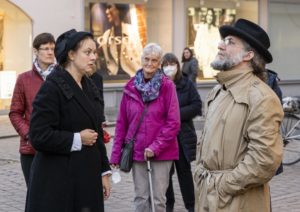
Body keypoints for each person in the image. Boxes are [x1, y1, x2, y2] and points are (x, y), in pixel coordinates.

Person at [194, 19, 284, 212]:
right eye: (223, 40)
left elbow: (264, 160)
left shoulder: (262, 97)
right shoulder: (218, 91)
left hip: (237, 203)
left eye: (230, 42)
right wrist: (200, 174)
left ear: (248, 55)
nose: (220, 44)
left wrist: (221, 185)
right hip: (209, 199)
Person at [25, 29, 111, 212]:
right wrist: (77, 139)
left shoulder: (89, 85)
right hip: (58, 181)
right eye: (87, 52)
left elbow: (96, 132)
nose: (93, 57)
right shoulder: (52, 87)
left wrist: (104, 171)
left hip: (86, 178)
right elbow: (38, 136)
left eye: (95, 52)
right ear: (71, 54)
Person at [110, 43, 180, 212]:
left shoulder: (167, 86)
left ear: (160, 63)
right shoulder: (130, 87)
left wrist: (155, 146)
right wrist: (115, 156)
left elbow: (174, 122)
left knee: (158, 200)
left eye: (154, 60)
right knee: (141, 198)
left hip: (163, 152)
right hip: (137, 151)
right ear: (141, 60)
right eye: (146, 59)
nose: (149, 63)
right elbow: (121, 124)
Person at [9, 33, 56, 187]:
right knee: (35, 196)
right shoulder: (24, 79)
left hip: (58, 148)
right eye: (46, 48)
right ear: (36, 51)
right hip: (31, 150)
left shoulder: (62, 76)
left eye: (52, 48)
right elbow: (15, 112)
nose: (50, 52)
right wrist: (29, 134)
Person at [161, 53, 202, 212]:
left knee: (184, 173)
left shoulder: (187, 84)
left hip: (182, 136)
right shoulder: (158, 85)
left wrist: (176, 114)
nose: (169, 67)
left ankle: (191, 206)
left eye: (172, 63)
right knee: (165, 175)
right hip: (164, 138)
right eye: (166, 64)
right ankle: (168, 204)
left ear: (178, 65)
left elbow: (197, 106)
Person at [94, 3, 143, 80]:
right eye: (106, 8)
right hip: (113, 77)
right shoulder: (106, 35)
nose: (107, 11)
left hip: (132, 76)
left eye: (110, 7)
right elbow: (98, 55)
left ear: (118, 10)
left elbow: (139, 55)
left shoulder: (131, 31)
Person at [194, 8, 220, 78]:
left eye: (211, 15)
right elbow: (196, 44)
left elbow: (218, 44)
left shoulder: (216, 29)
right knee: (207, 79)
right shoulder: (201, 28)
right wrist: (199, 57)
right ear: (206, 16)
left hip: (214, 61)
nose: (210, 17)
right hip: (205, 61)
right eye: (208, 15)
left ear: (213, 17)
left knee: (215, 82)